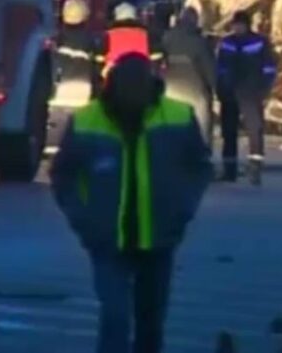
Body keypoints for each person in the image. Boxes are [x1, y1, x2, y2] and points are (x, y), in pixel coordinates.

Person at [50, 54, 213, 353]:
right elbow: (63, 175)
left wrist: (182, 210)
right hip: (108, 240)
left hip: (159, 239)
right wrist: (83, 220)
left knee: (150, 324)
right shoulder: (88, 119)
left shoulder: (177, 116)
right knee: (115, 318)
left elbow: (200, 167)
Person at [216, 10, 277, 185]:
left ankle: (255, 167)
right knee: (229, 132)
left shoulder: (259, 42)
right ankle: (229, 169)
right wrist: (220, 89)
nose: (237, 28)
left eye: (240, 24)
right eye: (235, 25)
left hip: (251, 93)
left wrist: (264, 90)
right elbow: (219, 68)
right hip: (229, 93)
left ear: (247, 25)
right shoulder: (227, 43)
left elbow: (269, 68)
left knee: (254, 130)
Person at [162, 7, 217, 144]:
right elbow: (208, 68)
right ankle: (202, 150)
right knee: (202, 122)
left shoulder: (167, 37)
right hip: (194, 89)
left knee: (171, 123)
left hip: (170, 87)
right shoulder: (199, 42)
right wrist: (215, 88)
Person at [95, 2, 164, 90]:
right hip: (141, 81)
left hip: (114, 83)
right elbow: (157, 55)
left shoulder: (108, 35)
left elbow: (98, 58)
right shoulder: (146, 35)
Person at [51, 0, 98, 110]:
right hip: (83, 95)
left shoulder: (56, 39)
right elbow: (96, 70)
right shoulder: (90, 41)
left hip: (58, 95)